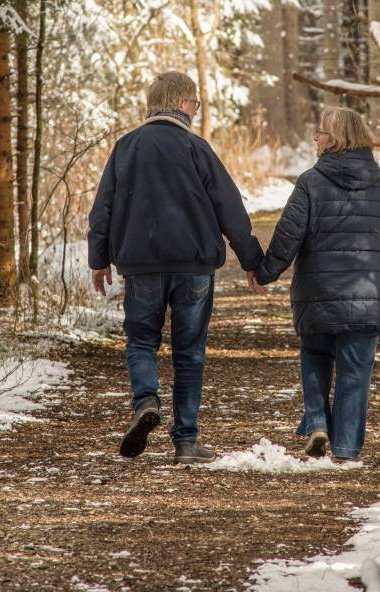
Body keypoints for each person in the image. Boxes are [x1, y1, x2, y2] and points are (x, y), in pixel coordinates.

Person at [88, 71, 266, 465]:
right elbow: (231, 210)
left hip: (142, 267)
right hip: (194, 267)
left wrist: (98, 258)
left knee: (140, 341)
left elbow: (103, 208)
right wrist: (253, 262)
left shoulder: (126, 148)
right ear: (183, 103)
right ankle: (186, 441)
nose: (196, 111)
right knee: (190, 352)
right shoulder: (196, 148)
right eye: (196, 104)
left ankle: (146, 399)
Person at [254, 107, 380, 462]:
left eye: (320, 133)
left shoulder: (311, 181)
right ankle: (348, 449)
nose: (316, 139)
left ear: (335, 139)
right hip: (369, 295)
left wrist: (265, 273)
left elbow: (288, 236)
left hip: (318, 295)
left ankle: (318, 422)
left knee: (316, 355)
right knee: (355, 373)